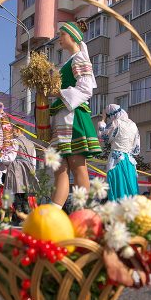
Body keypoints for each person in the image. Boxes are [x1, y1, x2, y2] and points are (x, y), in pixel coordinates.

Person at [49, 21, 102, 208]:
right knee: (60, 168)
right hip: (63, 116)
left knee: (77, 165)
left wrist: (59, 93)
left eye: (62, 35)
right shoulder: (69, 61)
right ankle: (55, 211)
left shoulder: (79, 58)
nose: (59, 39)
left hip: (73, 118)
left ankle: (84, 211)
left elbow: (86, 89)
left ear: (72, 37)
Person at [98, 103, 140, 200]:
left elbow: (103, 137)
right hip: (130, 162)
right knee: (131, 188)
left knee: (117, 187)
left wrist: (103, 120)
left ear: (112, 115)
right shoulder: (133, 125)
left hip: (116, 160)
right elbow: (136, 148)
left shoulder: (116, 123)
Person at [4, 127, 38, 220]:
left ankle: (19, 216)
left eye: (14, 130)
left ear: (18, 130)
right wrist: (33, 173)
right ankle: (26, 217)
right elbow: (34, 160)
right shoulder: (31, 143)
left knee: (16, 193)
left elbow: (11, 157)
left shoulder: (14, 141)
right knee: (24, 194)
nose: (12, 132)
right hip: (28, 169)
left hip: (17, 168)